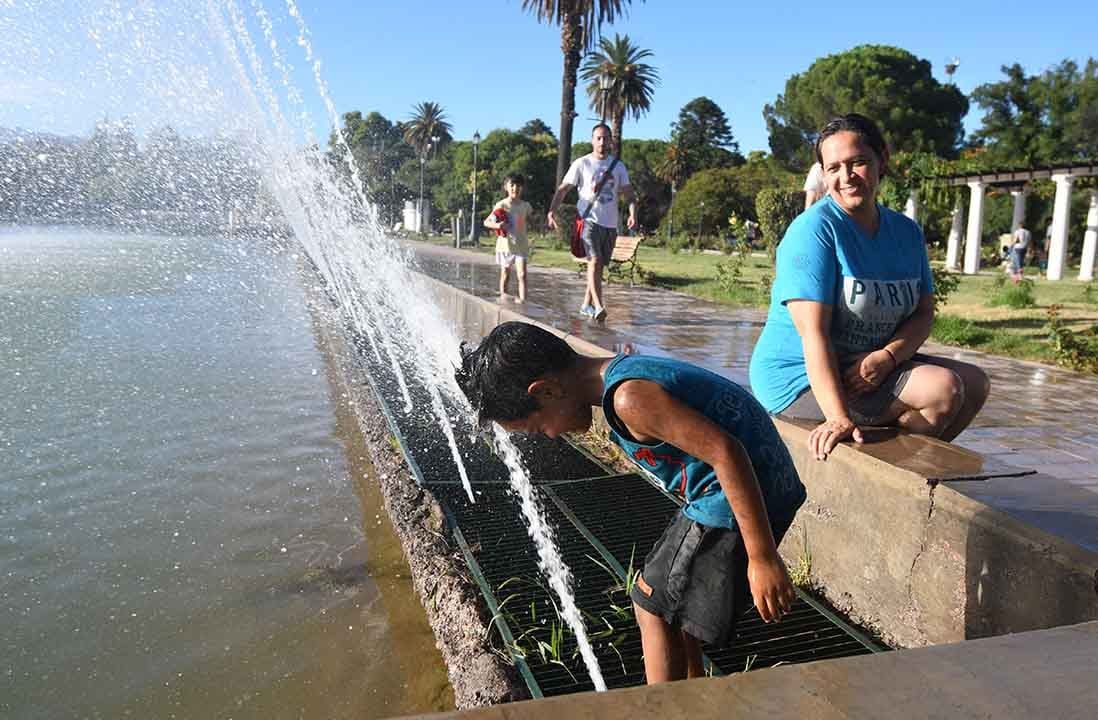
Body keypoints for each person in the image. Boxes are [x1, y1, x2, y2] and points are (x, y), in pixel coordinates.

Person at [456, 321, 805, 684]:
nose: (551, 435)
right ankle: (692, 695)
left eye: (539, 428)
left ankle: (658, 708)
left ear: (546, 390)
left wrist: (761, 557)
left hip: (735, 498)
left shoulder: (629, 399)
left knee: (650, 604)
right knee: (671, 602)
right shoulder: (624, 373)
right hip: (751, 488)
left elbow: (726, 452)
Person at [749, 113, 990, 461]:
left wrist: (889, 356)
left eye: (858, 162)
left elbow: (923, 313)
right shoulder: (813, 231)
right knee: (942, 389)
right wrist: (837, 417)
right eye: (833, 168)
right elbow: (813, 335)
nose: (846, 177)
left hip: (869, 364)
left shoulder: (906, 232)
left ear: (882, 160)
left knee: (975, 382)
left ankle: (910, 472)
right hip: (799, 376)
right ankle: (899, 479)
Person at [548, 123, 636, 321]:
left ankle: (586, 305)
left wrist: (632, 213)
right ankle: (598, 306)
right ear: (592, 140)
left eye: (606, 138)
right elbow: (563, 189)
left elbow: (629, 194)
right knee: (594, 261)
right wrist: (552, 210)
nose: (602, 142)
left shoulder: (618, 166)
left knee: (597, 267)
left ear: (611, 141)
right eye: (598, 138)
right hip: (588, 220)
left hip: (610, 224)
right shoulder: (582, 163)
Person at [484, 173, 533, 303]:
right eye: (512, 185)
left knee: (522, 274)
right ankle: (503, 298)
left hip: (521, 245)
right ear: (506, 187)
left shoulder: (525, 206)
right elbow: (487, 222)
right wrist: (497, 225)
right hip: (505, 245)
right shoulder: (501, 205)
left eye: (518, 185)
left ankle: (523, 301)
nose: (515, 188)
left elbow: (529, 220)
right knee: (505, 274)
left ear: (522, 188)